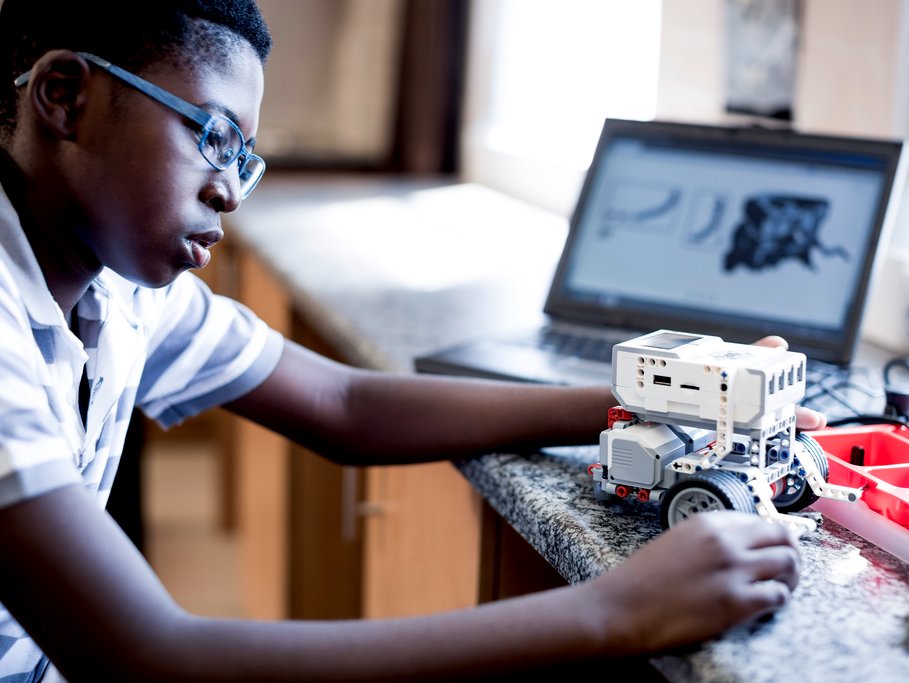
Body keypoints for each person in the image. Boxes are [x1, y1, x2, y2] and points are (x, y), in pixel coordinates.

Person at [0, 1, 825, 680]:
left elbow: (343, 401)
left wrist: (662, 402)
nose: (229, 191)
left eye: (244, 158)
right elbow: (150, 657)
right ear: (66, 98)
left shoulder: (115, 287)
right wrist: (613, 609)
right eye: (213, 137)